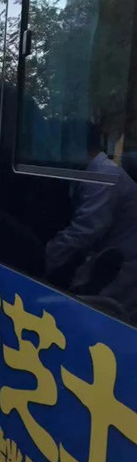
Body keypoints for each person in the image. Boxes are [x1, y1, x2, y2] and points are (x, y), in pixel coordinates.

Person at [45, 121, 137, 321]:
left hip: (122, 268)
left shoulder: (103, 174)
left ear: (75, 145)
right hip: (105, 261)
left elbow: (86, 230)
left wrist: (48, 256)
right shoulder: (90, 170)